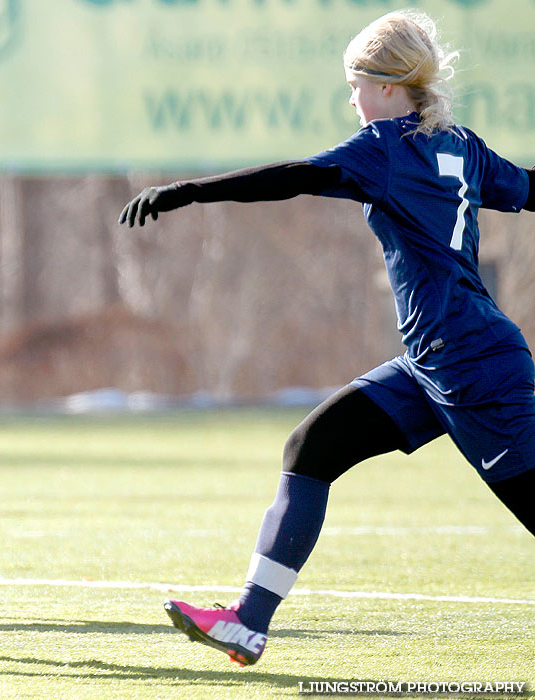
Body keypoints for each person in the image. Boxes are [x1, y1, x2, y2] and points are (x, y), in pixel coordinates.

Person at [119, 9, 535, 666]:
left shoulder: (386, 146)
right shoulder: (460, 143)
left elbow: (296, 177)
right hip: (439, 361)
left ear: (391, 87)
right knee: (311, 446)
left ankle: (250, 619)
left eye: (358, 84)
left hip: (471, 368)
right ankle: (248, 622)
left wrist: (190, 192)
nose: (352, 98)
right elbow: (530, 189)